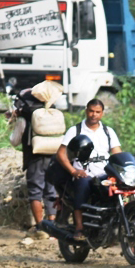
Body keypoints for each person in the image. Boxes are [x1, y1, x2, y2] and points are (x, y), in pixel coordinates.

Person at [54, 99, 122, 241]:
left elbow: (117, 153)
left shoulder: (108, 132)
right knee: (82, 186)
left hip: (104, 173)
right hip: (84, 173)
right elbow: (61, 153)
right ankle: (79, 228)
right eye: (91, 111)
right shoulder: (75, 130)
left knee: (120, 187)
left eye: (97, 112)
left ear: (102, 113)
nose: (94, 115)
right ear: (86, 111)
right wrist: (73, 171)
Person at [13, 88, 57, 235]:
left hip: (34, 158)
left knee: (35, 192)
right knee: (51, 191)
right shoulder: (52, 114)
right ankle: (53, 225)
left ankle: (40, 227)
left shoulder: (24, 118)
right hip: (54, 157)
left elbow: (14, 141)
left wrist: (14, 122)